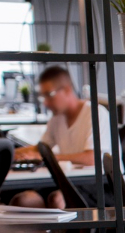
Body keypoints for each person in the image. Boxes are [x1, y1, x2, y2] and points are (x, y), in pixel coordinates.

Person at [11, 65, 115, 208]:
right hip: (70, 180)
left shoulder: (96, 114)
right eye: (43, 96)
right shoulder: (57, 118)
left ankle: (63, 231)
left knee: (58, 198)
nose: (46, 102)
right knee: (24, 200)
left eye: (49, 95)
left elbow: (92, 158)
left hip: (103, 184)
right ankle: (40, 231)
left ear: (66, 90)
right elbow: (41, 149)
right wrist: (9, 154)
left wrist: (48, 158)